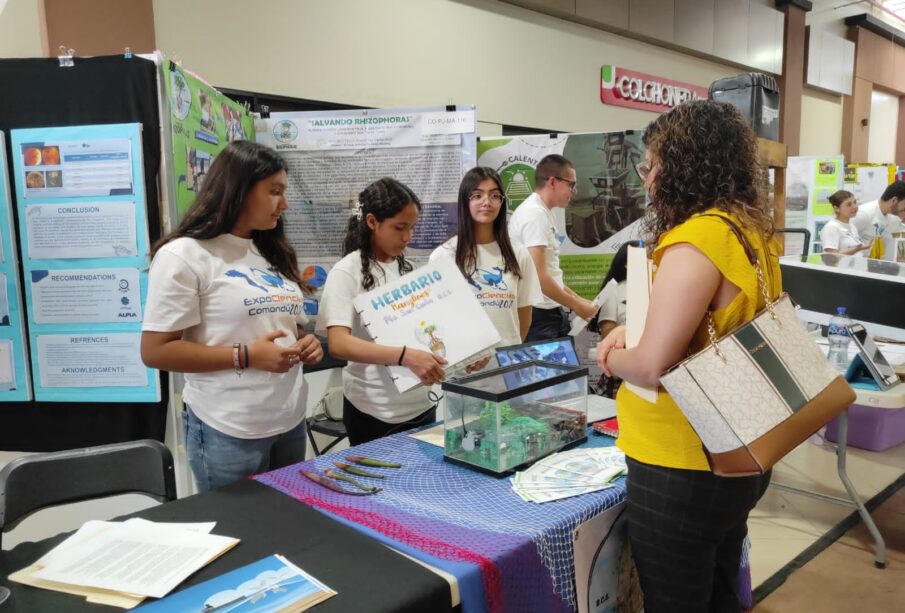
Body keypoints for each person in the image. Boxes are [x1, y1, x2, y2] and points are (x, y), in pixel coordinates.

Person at [596, 100, 779, 612]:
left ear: (678, 166)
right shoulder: (747, 231)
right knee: (719, 589)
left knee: (676, 599)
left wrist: (610, 357)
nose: (647, 178)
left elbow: (652, 366)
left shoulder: (695, 239)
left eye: (650, 165)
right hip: (738, 444)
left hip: (681, 461)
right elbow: (709, 323)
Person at [141, 140, 323, 492]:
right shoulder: (185, 255)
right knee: (238, 532)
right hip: (227, 428)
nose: (284, 204)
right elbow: (155, 351)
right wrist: (245, 356)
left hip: (289, 419)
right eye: (274, 191)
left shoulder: (271, 250)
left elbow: (285, 325)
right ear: (238, 189)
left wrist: (306, 342)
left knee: (289, 526)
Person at [317, 177, 445, 445]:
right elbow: (338, 344)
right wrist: (404, 356)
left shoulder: (408, 270)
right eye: (400, 227)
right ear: (372, 222)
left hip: (420, 405)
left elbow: (427, 330)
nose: (408, 237)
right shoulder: (346, 272)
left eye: (412, 227)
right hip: (373, 410)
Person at [430, 167, 542, 352]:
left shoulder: (518, 253)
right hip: (462, 366)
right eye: (477, 196)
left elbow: (524, 313)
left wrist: (509, 352)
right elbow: (438, 317)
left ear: (502, 202)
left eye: (494, 196)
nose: (486, 202)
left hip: (506, 365)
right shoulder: (444, 255)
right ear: (465, 201)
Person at [508, 154, 597, 341]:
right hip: (539, 317)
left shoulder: (543, 212)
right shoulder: (535, 214)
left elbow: (550, 272)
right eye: (571, 184)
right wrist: (577, 305)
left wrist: (577, 300)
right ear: (553, 182)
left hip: (550, 312)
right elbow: (539, 277)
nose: (574, 190)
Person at [588, 239, 641, 338]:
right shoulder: (614, 291)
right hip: (626, 349)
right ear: (626, 263)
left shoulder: (660, 288)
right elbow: (607, 333)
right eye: (644, 257)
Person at [851, 180, 905, 260]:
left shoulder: (895, 218)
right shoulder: (864, 214)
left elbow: (901, 244)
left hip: (879, 267)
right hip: (856, 267)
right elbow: (843, 242)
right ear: (894, 201)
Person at [820, 190, 872, 256]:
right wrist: (856, 249)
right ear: (836, 208)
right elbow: (831, 256)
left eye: (855, 202)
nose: (855, 207)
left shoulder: (852, 226)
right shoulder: (832, 227)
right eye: (849, 204)